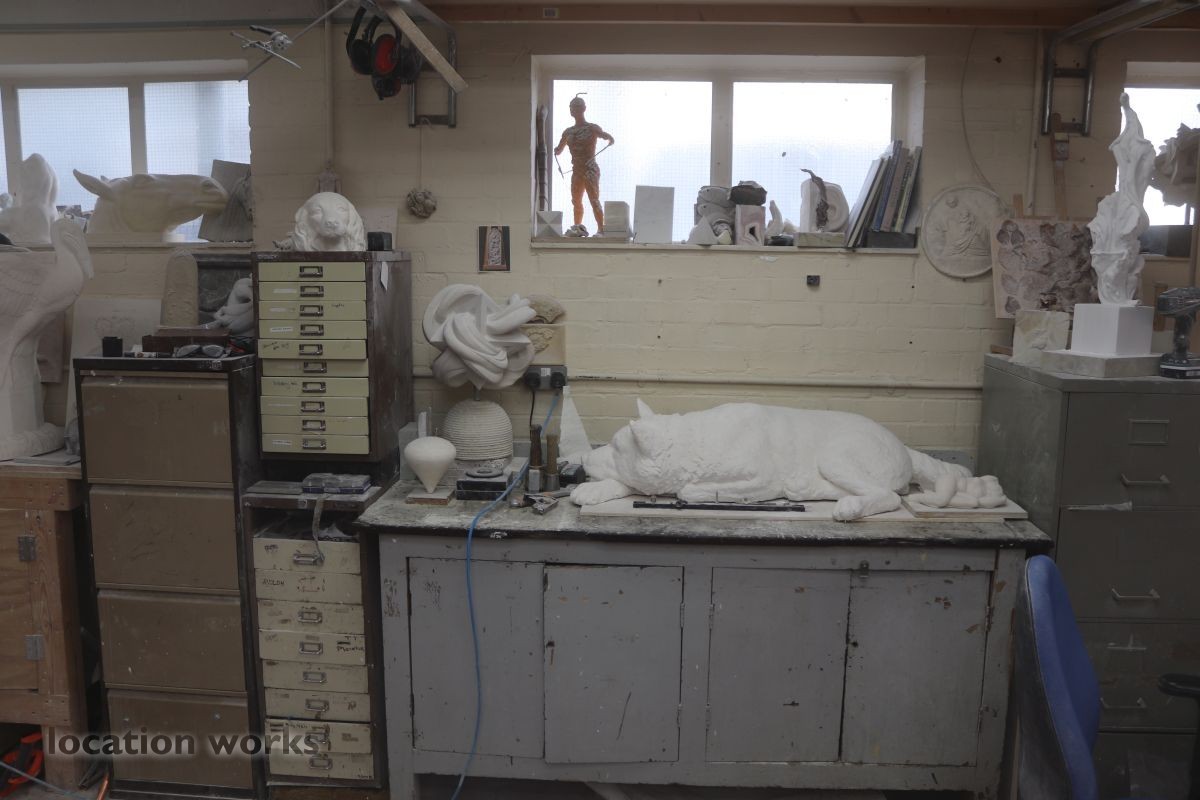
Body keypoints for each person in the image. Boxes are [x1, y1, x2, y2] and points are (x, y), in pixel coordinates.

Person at [554, 95, 614, 233]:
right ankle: (577, 229)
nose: (573, 110)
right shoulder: (568, 132)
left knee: (593, 199)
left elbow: (604, 135)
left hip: (589, 169)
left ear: (583, 108)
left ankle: (601, 229)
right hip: (577, 170)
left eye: (576, 107)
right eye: (571, 107)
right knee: (576, 201)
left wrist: (609, 138)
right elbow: (559, 149)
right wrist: (556, 151)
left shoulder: (592, 128)